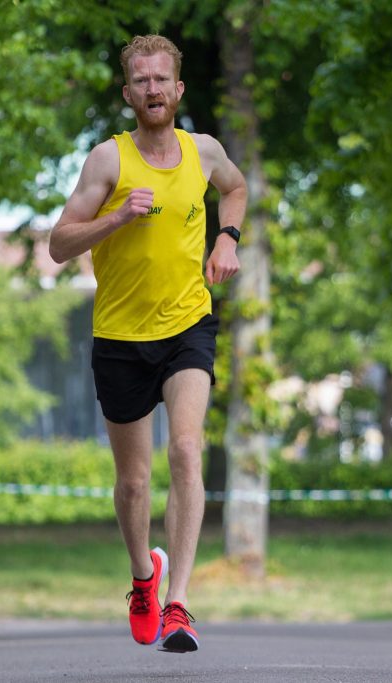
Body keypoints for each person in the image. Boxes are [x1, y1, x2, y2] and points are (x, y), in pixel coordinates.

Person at [49, 34, 247, 653]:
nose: (153, 90)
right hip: (120, 336)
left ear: (179, 88)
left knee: (187, 452)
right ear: (128, 91)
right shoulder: (107, 161)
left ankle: (179, 606)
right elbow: (59, 244)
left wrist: (227, 239)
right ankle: (144, 580)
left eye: (163, 79)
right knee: (133, 483)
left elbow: (236, 189)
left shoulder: (205, 152)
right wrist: (114, 218)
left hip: (188, 323)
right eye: (142, 81)